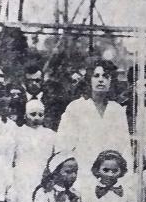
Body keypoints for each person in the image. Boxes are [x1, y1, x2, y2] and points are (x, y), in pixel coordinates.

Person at [56, 60, 133, 189]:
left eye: (106, 76)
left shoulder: (117, 110)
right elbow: (63, 146)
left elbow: (125, 148)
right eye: (96, 76)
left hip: (112, 176)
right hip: (83, 176)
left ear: (111, 81)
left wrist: (127, 177)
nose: (101, 80)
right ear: (89, 80)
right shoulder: (75, 107)